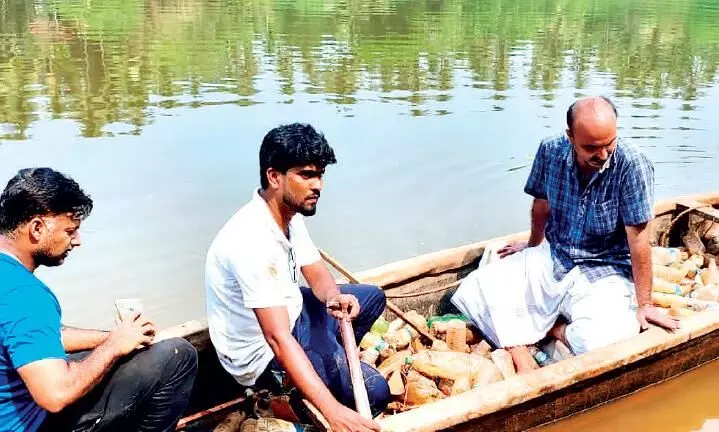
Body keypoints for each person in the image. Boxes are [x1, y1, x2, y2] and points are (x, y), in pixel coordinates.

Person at [452, 96, 679, 371]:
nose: (603, 155)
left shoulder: (633, 164)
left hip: (605, 268)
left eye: (610, 144)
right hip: (557, 255)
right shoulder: (551, 151)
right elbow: (541, 205)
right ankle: (525, 340)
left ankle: (552, 330)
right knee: (475, 287)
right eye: (592, 148)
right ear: (570, 136)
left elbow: (639, 239)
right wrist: (533, 246)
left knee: (603, 341)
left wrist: (645, 304)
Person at [205, 123, 389, 432]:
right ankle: (296, 389)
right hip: (262, 353)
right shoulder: (249, 240)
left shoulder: (288, 213)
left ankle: (327, 368)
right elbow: (276, 338)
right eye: (306, 175)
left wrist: (333, 296)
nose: (318, 185)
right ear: (274, 177)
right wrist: (333, 413)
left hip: (291, 312)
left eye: (320, 175)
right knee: (376, 394)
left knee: (371, 298)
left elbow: (315, 270)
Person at [0, 168, 198, 432]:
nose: (76, 241)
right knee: (179, 355)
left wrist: (112, 337)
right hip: (29, 424)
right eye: (70, 231)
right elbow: (55, 395)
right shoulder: (25, 294)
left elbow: (35, 335)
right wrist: (114, 347)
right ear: (37, 228)